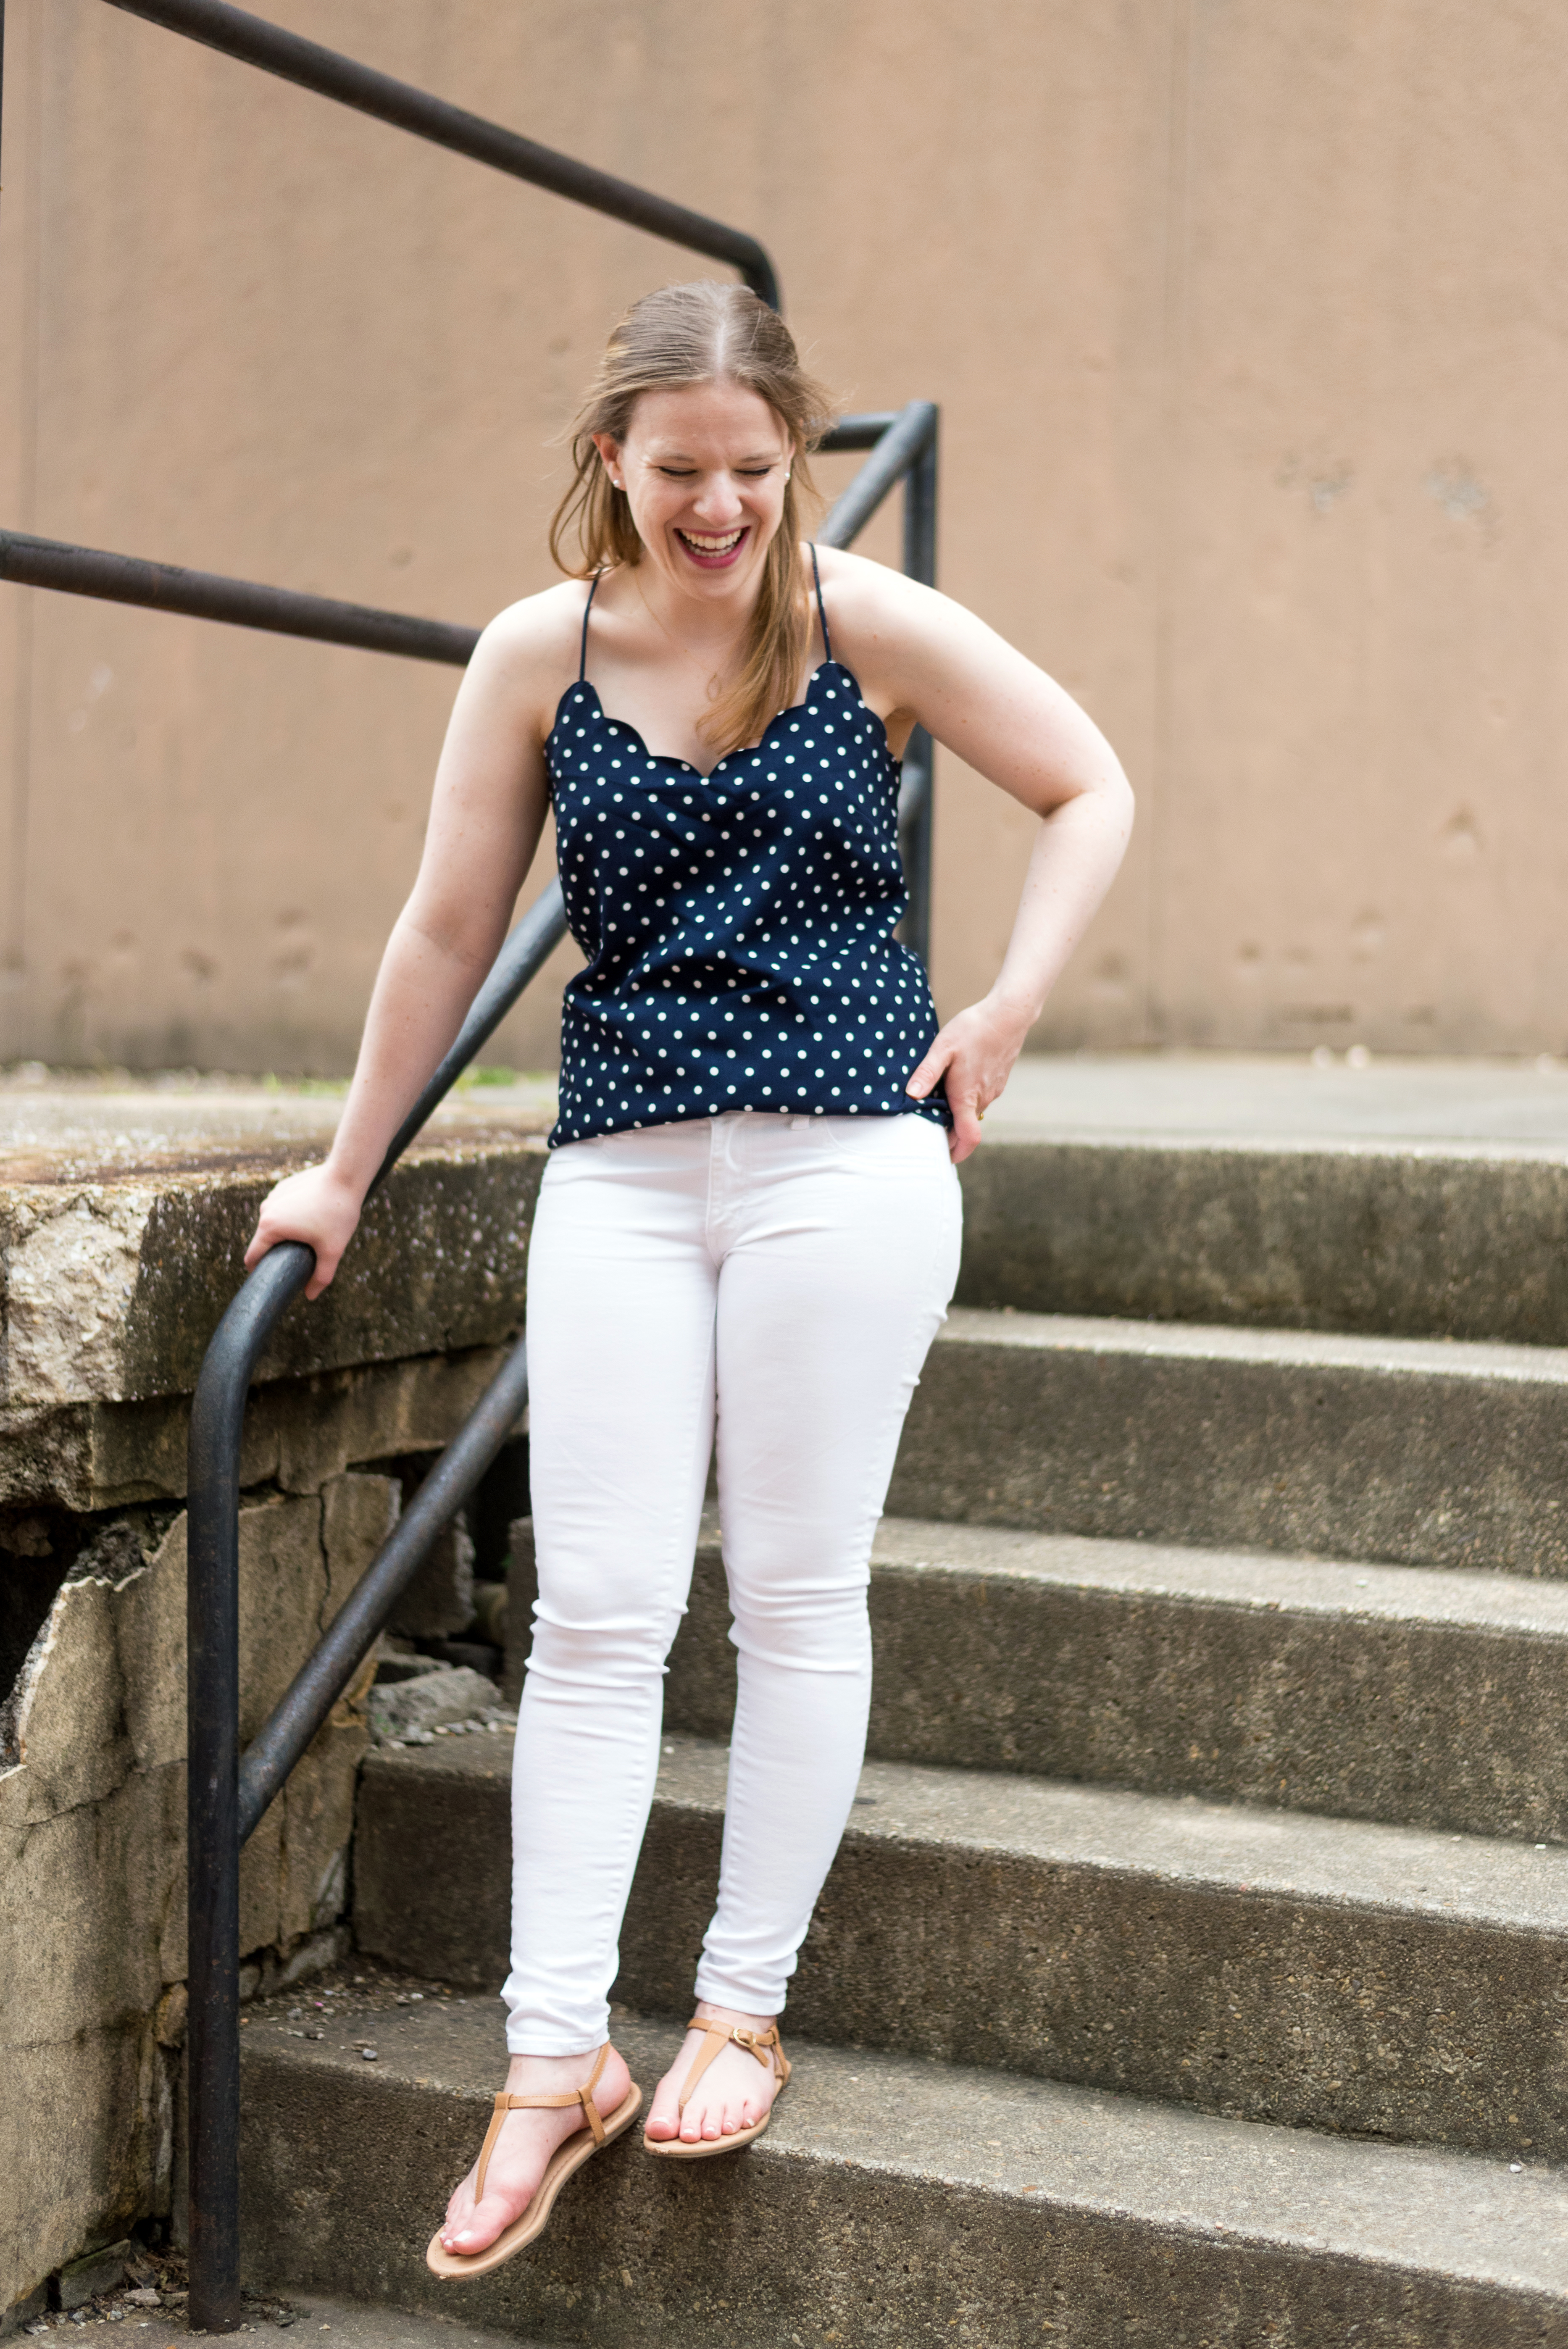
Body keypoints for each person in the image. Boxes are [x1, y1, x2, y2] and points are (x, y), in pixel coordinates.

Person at [244, 279, 1133, 2276]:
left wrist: (1002, 1010)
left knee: (797, 1598)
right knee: (598, 1613)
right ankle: (552, 2060)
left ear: (795, 460)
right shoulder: (531, 657)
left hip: (850, 1164)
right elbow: (441, 930)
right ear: (610, 462)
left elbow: (1091, 783)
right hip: (625, 1179)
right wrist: (341, 1168)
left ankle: (742, 2005)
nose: (722, 510)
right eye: (682, 473)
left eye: (757, 470)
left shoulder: (861, 623)